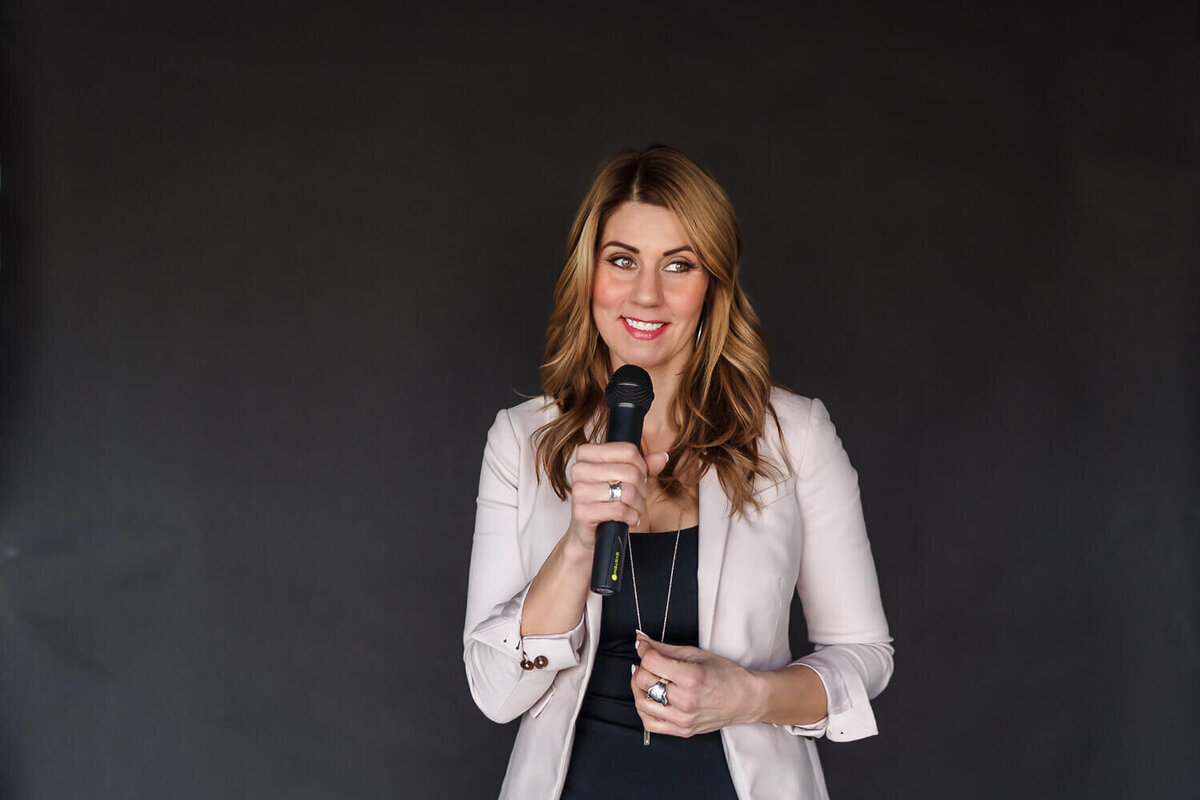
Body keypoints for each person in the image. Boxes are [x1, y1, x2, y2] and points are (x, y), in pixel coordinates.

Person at [463, 146, 893, 799]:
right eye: (622, 260)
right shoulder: (522, 441)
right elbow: (495, 693)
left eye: (678, 265)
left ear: (712, 284)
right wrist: (579, 541)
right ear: (589, 274)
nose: (647, 294)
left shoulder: (795, 435)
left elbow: (865, 656)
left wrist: (748, 695)